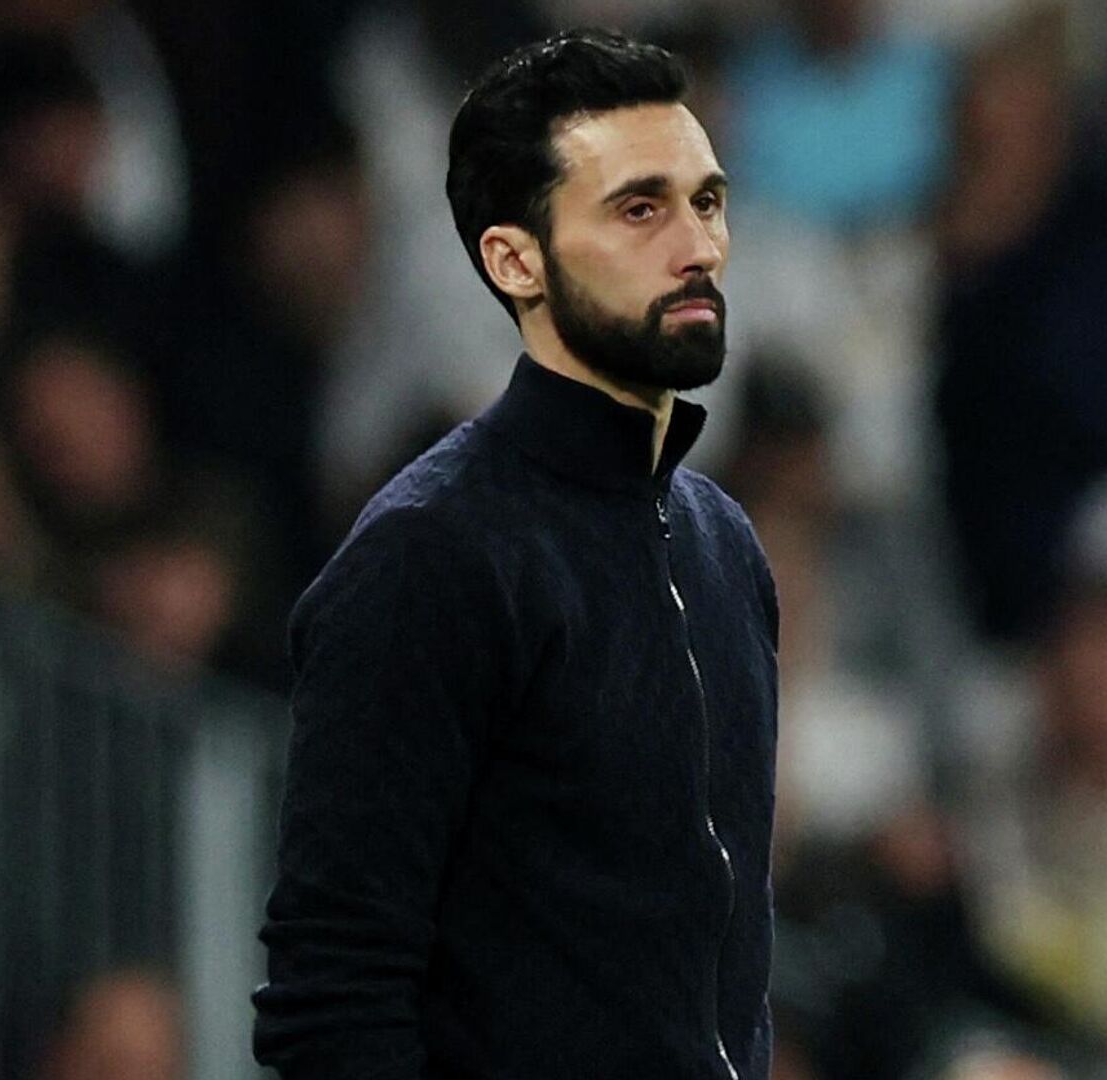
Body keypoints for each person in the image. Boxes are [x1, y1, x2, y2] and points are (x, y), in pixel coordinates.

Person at [251, 29, 779, 1080]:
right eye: (640, 209)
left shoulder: (725, 546)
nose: (699, 248)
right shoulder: (429, 555)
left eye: (707, 202)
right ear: (514, 259)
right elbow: (335, 993)